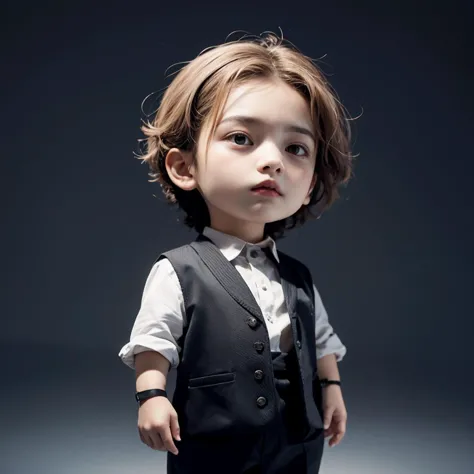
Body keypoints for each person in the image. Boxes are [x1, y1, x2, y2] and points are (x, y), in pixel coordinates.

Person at [119, 31, 353, 474]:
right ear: (184, 166)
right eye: (242, 138)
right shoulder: (178, 272)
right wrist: (151, 396)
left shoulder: (298, 277)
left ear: (308, 187)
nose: (273, 161)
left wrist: (333, 388)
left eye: (296, 148)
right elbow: (155, 340)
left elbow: (321, 341)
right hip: (215, 437)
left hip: (296, 436)